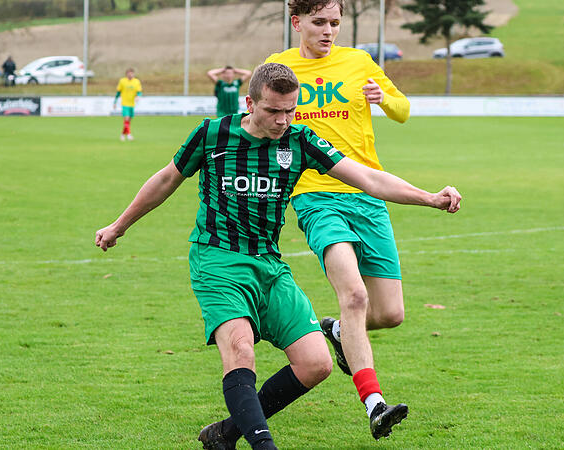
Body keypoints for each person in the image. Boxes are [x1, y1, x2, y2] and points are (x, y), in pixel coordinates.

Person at [94, 63, 461, 450]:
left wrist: (429, 197)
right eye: (273, 111)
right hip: (218, 260)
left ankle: (225, 434)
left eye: (290, 110)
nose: (283, 120)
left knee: (317, 363)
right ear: (250, 102)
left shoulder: (301, 141)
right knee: (239, 349)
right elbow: (166, 179)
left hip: (270, 265)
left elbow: (368, 177)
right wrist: (119, 226)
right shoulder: (212, 133)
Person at [263, 0, 413, 439]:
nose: (328, 30)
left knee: (390, 313)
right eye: (319, 22)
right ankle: (375, 403)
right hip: (315, 195)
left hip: (368, 193)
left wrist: (383, 97)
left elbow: (404, 110)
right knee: (354, 296)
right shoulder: (278, 68)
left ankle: (330, 330)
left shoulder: (359, 61)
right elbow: (258, 116)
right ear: (297, 23)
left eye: (334, 22)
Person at [113, 68, 142, 141]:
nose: (130, 75)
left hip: (132, 104)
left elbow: (139, 91)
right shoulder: (122, 81)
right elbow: (118, 92)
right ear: (126, 74)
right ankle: (129, 135)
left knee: (128, 121)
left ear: (134, 74)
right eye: (129, 73)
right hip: (125, 103)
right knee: (126, 118)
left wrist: (138, 96)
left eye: (132, 73)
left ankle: (122, 134)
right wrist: (115, 102)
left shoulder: (136, 81)